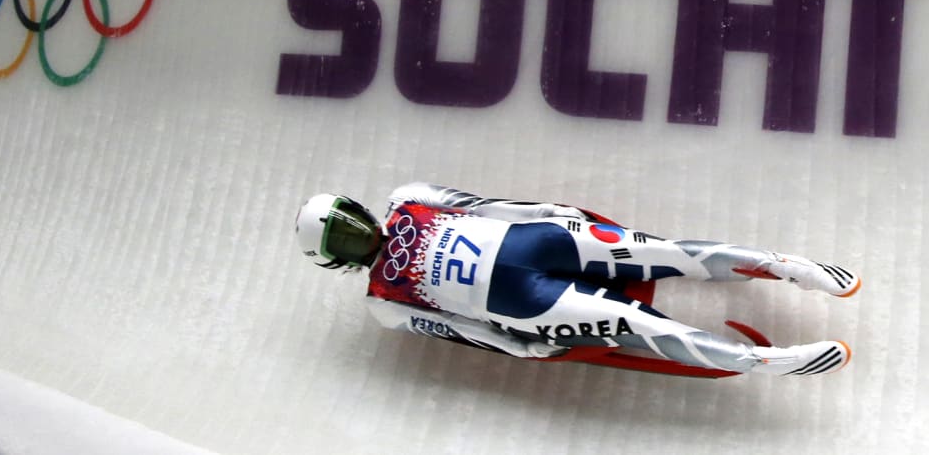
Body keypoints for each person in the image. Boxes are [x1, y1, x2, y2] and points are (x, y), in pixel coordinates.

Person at [295, 183, 860, 376]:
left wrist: (546, 212)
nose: (354, 235)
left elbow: (480, 205)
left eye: (347, 224)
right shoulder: (382, 304)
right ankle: (766, 360)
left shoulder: (407, 201)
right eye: (342, 237)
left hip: (533, 252)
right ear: (335, 259)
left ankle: (786, 270)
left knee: (666, 257)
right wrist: (518, 347)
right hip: (527, 288)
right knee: (642, 320)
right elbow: (453, 328)